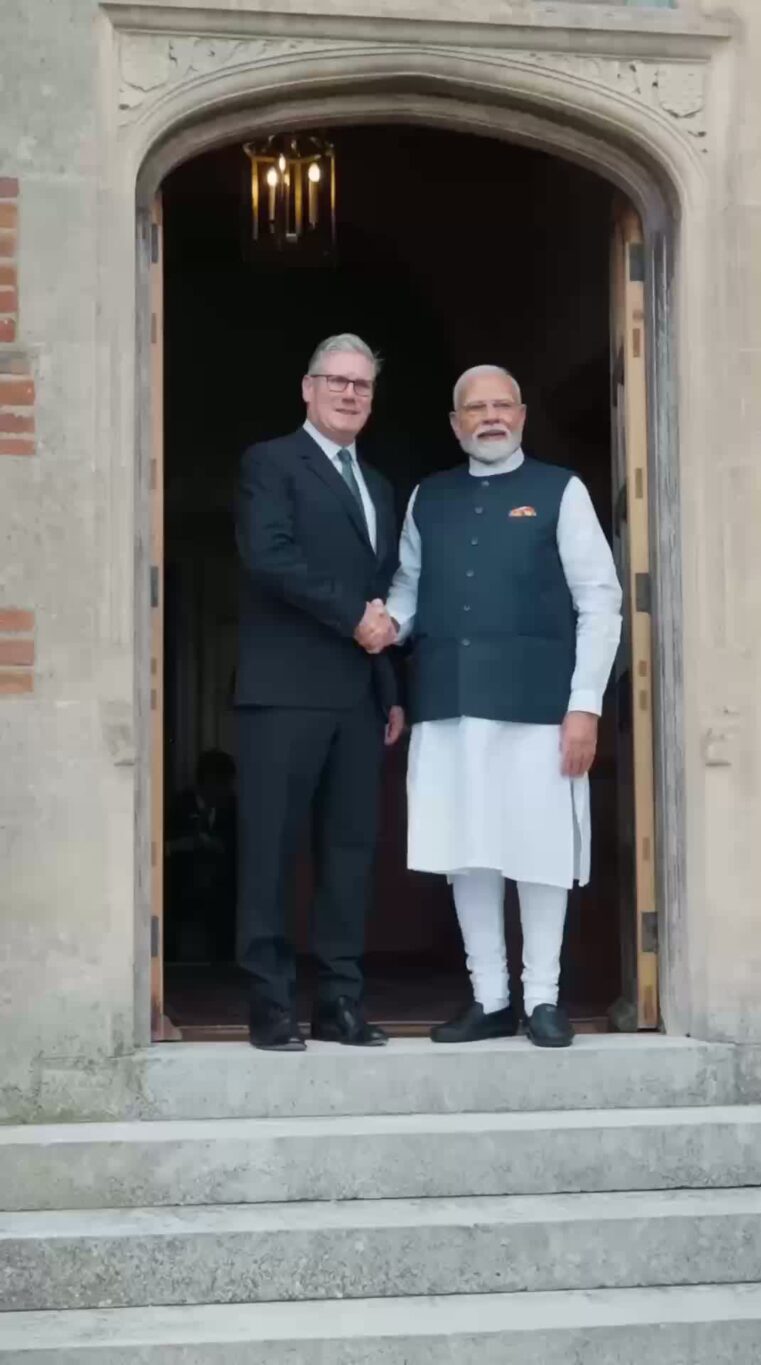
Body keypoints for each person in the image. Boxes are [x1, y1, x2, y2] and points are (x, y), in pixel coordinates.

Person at [383, 365, 621, 1048]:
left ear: (521, 413)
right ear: (456, 423)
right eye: (474, 408)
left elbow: (599, 600)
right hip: (448, 704)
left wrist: (585, 705)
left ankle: (543, 998)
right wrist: (384, 625)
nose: (490, 416)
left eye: (501, 405)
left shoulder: (561, 490)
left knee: (539, 852)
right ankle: (489, 997)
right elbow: (408, 585)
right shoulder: (429, 496)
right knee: (470, 851)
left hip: (540, 708)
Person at [235, 333, 404, 1051]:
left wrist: (391, 689)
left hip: (358, 697)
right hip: (283, 691)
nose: (348, 393)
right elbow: (269, 556)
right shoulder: (270, 462)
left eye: (361, 384)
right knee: (270, 849)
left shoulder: (381, 486)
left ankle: (340, 1000)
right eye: (335, 381)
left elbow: (380, 595)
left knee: (349, 852)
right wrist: (353, 618)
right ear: (308, 389)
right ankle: (270, 1003)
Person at [165, 750, 237, 964]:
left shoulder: (233, 809)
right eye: (220, 783)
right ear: (206, 780)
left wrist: (220, 848)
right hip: (183, 896)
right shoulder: (178, 806)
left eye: (228, 783)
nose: (225, 790)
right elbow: (160, 847)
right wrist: (184, 845)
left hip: (221, 901)